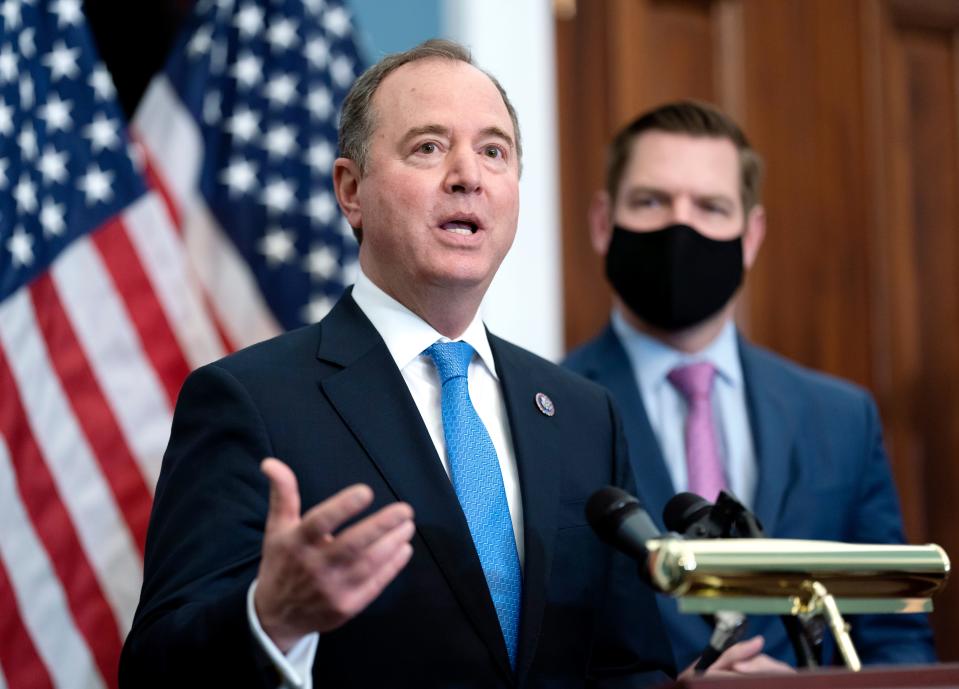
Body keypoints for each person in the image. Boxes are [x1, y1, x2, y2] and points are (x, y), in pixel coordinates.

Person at [120, 40, 695, 688]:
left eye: (493, 151)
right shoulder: (249, 401)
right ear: (350, 190)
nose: (467, 176)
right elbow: (156, 668)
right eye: (427, 146)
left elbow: (627, 663)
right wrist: (270, 618)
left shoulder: (583, 412)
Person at [564, 100, 937, 669]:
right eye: (651, 201)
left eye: (711, 206)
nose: (679, 226)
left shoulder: (842, 419)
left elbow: (896, 641)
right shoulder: (543, 411)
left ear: (751, 234)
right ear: (601, 221)